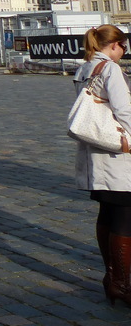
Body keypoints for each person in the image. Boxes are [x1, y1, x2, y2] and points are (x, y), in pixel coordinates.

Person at [75, 24, 131, 306]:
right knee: (124, 215)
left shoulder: (83, 67)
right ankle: (122, 284)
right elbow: (123, 110)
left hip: (94, 152)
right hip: (116, 153)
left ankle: (111, 277)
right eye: (124, 46)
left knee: (106, 213)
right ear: (115, 45)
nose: (124, 52)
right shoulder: (110, 69)